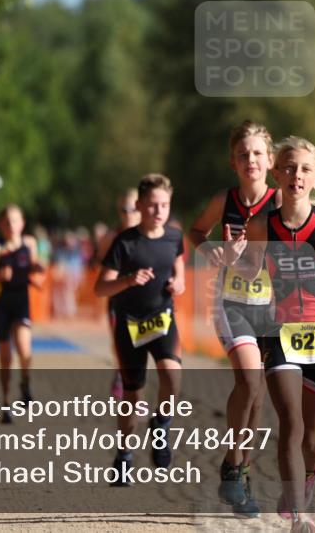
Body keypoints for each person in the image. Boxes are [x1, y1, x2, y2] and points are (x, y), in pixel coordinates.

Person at [225, 137, 315, 533]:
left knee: (313, 438)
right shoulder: (260, 225)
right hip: (281, 334)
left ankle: (309, 476)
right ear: (277, 174)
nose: (296, 175)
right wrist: (235, 259)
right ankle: (301, 516)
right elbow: (251, 275)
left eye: (305, 169)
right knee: (291, 424)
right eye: (289, 167)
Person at [189, 120, 281, 517]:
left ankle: (239, 470)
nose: (251, 160)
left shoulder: (280, 202)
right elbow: (195, 231)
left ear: (271, 160)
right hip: (231, 304)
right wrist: (212, 252)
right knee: (248, 379)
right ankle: (232, 463)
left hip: (273, 309)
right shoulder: (224, 200)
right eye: (243, 154)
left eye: (258, 153)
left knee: (258, 398)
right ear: (233, 162)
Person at [94, 174, 185, 486]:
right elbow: (100, 288)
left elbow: (179, 262)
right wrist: (128, 281)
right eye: (152, 205)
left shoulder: (174, 237)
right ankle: (124, 455)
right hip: (130, 325)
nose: (159, 211)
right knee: (132, 396)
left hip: (163, 319)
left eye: (165, 205)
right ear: (140, 206)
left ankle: (160, 424)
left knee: (172, 375)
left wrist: (180, 281)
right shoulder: (125, 242)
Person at [0, 205, 44, 424]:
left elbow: (39, 268)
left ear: (22, 223)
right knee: (5, 359)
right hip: (1, 306)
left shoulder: (30, 244)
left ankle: (26, 382)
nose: (11, 226)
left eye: (15, 221)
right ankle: (6, 404)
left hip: (21, 302)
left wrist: (38, 270)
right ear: (0, 225)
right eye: (6, 222)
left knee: (25, 350)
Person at [95, 188, 141, 401]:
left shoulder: (151, 235)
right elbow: (101, 265)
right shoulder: (111, 238)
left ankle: (133, 389)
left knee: (141, 347)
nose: (129, 214)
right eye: (124, 210)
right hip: (118, 301)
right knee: (122, 346)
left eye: (133, 208)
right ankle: (121, 377)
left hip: (145, 302)